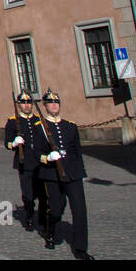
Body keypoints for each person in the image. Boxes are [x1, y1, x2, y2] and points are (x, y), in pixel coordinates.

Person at [33, 89, 93, 260]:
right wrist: (47, 157)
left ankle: (81, 248)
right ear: (45, 106)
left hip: (73, 173)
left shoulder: (70, 126)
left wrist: (80, 172)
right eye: (51, 103)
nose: (54, 105)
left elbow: (77, 151)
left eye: (56, 102)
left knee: (80, 211)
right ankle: (50, 231)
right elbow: (35, 153)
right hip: (52, 174)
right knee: (56, 209)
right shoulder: (40, 128)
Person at [4, 91, 47, 232]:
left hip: (40, 162)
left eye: (29, 103)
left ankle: (42, 216)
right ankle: (29, 213)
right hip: (25, 162)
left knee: (42, 193)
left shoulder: (38, 120)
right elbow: (8, 143)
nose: (27, 106)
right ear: (19, 105)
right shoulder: (13, 121)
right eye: (24, 103)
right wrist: (15, 143)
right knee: (28, 194)